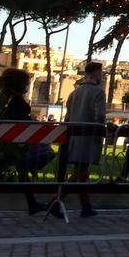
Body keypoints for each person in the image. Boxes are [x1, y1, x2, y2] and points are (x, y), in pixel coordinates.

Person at [56, 60, 106, 218]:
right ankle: (55, 200)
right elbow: (100, 116)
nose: (102, 76)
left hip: (73, 137)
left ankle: (86, 206)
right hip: (89, 137)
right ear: (96, 73)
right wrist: (103, 129)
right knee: (81, 171)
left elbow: (68, 116)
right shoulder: (98, 92)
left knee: (82, 172)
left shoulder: (74, 93)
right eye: (101, 73)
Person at [0, 67, 51, 215]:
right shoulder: (16, 100)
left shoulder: (10, 98)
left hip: (17, 139)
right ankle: (32, 203)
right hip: (17, 140)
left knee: (20, 172)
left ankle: (32, 203)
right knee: (11, 170)